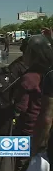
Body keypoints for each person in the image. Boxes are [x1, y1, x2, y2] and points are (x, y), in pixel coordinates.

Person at [12, 35, 52, 171]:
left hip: (27, 130)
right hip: (47, 135)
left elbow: (20, 108)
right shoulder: (49, 73)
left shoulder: (28, 77)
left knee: (17, 163)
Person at [27, 35, 53, 164]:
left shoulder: (48, 75)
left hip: (28, 127)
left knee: (15, 159)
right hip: (33, 127)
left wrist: (36, 146)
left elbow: (46, 117)